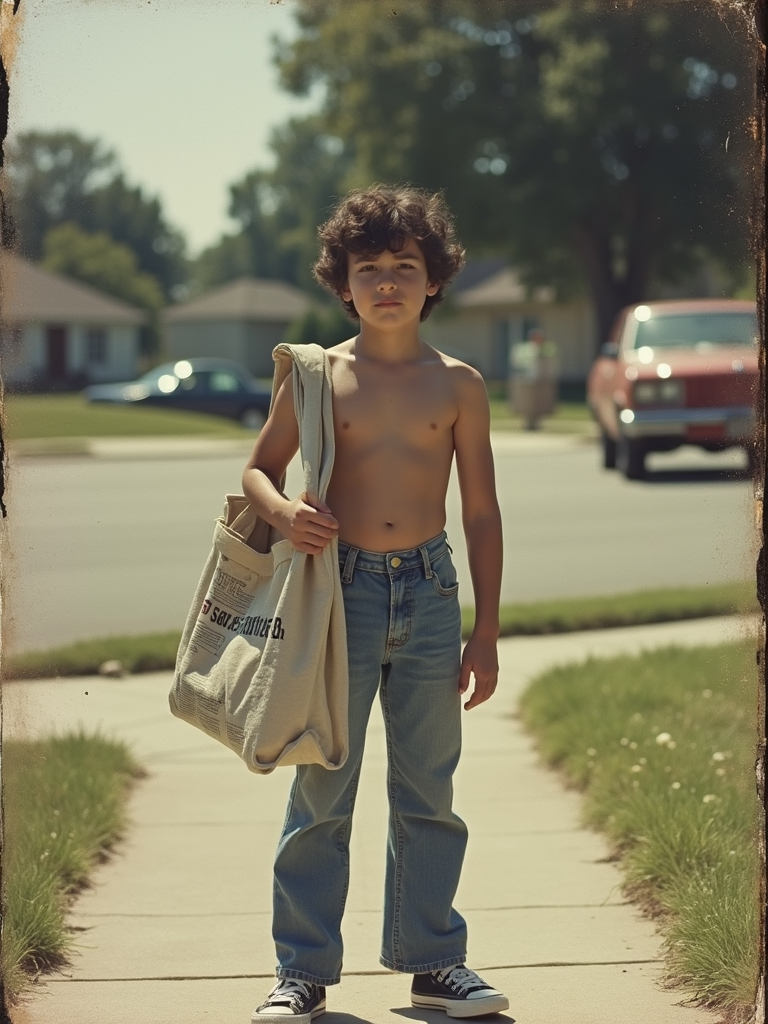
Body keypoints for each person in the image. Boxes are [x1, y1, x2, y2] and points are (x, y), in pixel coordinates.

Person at [242, 185, 507, 1022]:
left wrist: (487, 629)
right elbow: (257, 472)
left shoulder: (459, 385)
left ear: (435, 282)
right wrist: (284, 513)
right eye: (369, 269)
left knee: (428, 787)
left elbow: (481, 511)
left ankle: (435, 960)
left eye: (406, 267)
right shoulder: (318, 376)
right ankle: (303, 971)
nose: (387, 282)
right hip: (339, 595)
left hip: (429, 593)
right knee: (323, 784)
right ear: (342, 283)